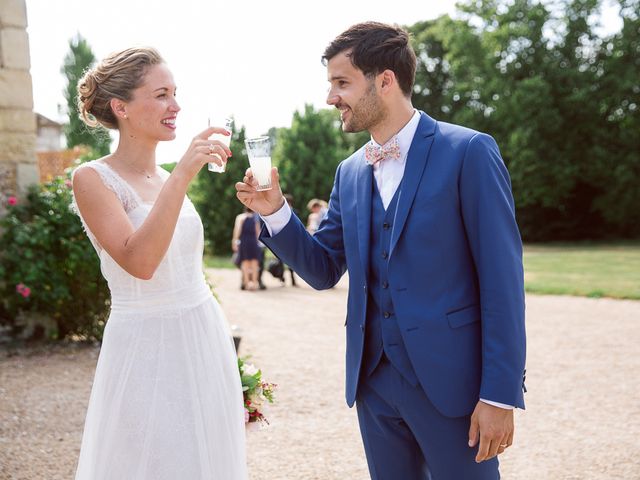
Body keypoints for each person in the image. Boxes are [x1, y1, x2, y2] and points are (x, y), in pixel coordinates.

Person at [236, 22, 526, 479]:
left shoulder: (468, 151)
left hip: (454, 387)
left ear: (385, 80)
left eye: (342, 82)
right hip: (373, 386)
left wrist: (500, 394)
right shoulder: (349, 172)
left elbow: (502, 283)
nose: (331, 97)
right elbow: (323, 269)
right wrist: (275, 212)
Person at [71, 47, 247, 479]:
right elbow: (141, 262)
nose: (176, 106)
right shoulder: (92, 179)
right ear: (121, 108)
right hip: (144, 346)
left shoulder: (166, 179)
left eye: (176, 93)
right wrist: (184, 173)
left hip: (202, 333)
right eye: (162, 94)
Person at [232, 207, 261, 291]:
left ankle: (247, 283)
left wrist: (234, 241)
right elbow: (257, 232)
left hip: (244, 241)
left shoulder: (240, 217)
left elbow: (237, 230)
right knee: (255, 264)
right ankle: (255, 283)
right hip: (253, 242)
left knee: (245, 263)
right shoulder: (255, 217)